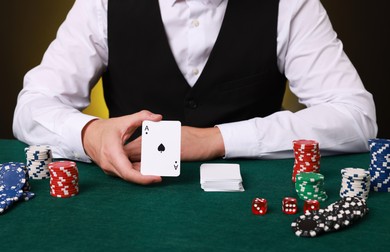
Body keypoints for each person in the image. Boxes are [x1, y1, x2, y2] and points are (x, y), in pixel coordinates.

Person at [13, 0, 377, 185]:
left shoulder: (290, 4)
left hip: (253, 209)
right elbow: (32, 108)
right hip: (127, 200)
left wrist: (214, 140)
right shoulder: (101, 4)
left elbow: (356, 118)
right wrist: (90, 134)